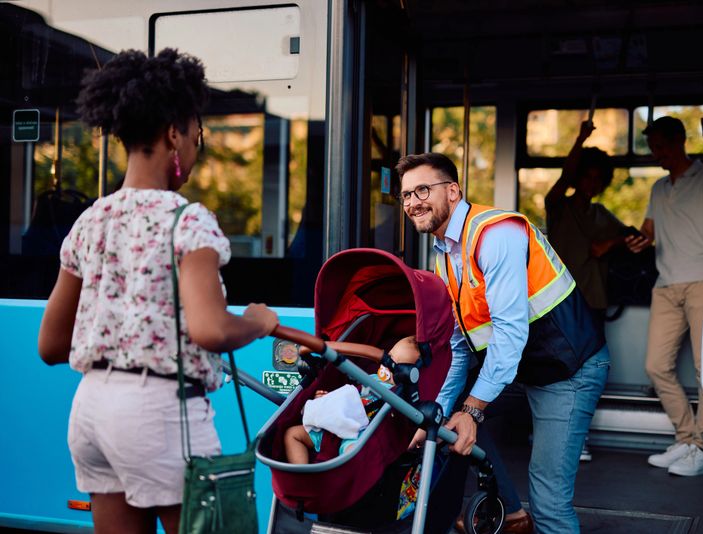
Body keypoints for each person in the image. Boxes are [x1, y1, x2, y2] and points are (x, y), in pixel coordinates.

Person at [37, 49, 279, 534]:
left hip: (91, 413)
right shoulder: (186, 221)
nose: (195, 147)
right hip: (159, 415)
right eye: (197, 135)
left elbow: (50, 346)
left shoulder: (90, 222)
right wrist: (257, 322)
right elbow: (210, 329)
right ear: (174, 133)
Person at [399, 152, 609, 534]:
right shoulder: (445, 256)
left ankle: (531, 515)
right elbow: (461, 346)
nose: (413, 202)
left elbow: (510, 332)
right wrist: (436, 418)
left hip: (569, 369)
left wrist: (473, 409)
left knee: (548, 498)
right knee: (452, 421)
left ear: (453, 190)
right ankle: (511, 513)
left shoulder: (496, 234)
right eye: (406, 195)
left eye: (422, 190)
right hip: (525, 366)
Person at [626, 115, 703, 476]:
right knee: (656, 366)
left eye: (660, 146)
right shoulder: (659, 188)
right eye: (653, 148)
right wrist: (639, 240)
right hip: (666, 284)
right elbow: (649, 230)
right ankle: (687, 439)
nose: (656, 154)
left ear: (679, 142)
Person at [545, 120, 628, 462]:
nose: (592, 183)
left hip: (593, 301)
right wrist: (580, 138)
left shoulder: (602, 214)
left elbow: (632, 237)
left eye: (598, 178)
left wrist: (610, 243)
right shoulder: (558, 206)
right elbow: (563, 177)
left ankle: (580, 435)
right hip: (558, 302)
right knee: (556, 366)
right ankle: (551, 429)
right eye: (587, 175)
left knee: (590, 370)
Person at [285, 336, 419, 464]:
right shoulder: (372, 378)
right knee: (292, 434)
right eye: (389, 356)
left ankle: (336, 477)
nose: (387, 363)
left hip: (356, 433)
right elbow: (348, 395)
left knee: (352, 455)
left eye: (396, 364)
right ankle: (303, 474)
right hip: (333, 424)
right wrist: (325, 401)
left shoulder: (401, 395)